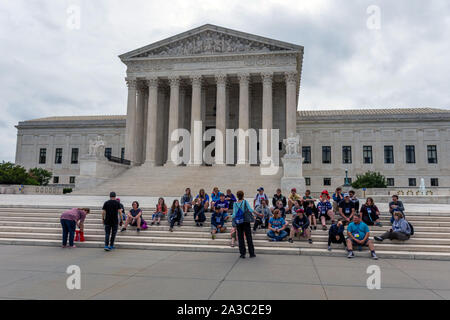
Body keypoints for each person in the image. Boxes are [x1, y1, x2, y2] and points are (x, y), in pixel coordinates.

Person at [232, 190, 256, 258]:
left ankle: (242, 253)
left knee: (240, 238)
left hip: (239, 222)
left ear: (237, 196)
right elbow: (251, 210)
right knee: (249, 237)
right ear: (243, 195)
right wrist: (258, 214)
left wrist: (231, 217)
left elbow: (234, 214)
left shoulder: (235, 204)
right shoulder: (245, 202)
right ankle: (251, 253)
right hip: (245, 221)